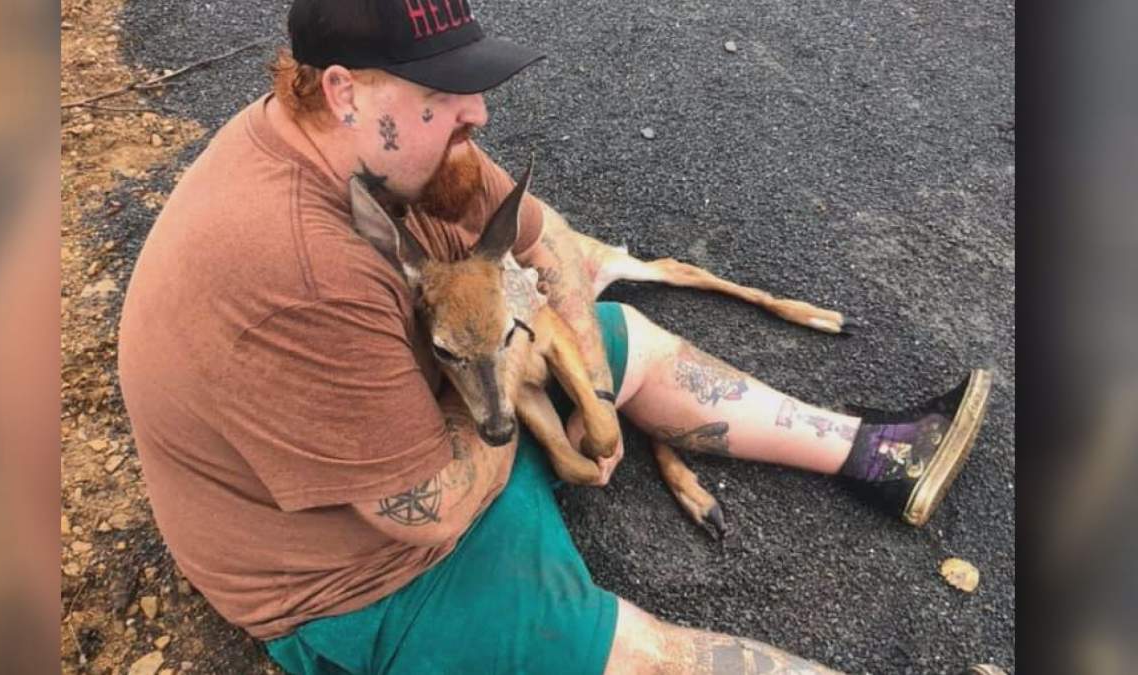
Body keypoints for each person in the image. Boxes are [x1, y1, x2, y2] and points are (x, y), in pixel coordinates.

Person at [117, 0, 995, 672]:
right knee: (634, 652)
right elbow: (420, 511)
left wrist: (584, 377)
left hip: (439, 415)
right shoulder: (303, 270)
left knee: (622, 337)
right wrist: (530, 411)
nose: (477, 113)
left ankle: (882, 454)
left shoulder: (391, 152)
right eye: (442, 93)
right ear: (345, 90)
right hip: (353, 574)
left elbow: (551, 244)